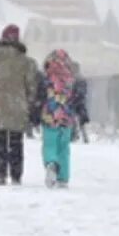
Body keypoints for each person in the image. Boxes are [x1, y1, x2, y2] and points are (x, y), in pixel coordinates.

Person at [0, 24, 34, 186]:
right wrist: (29, 99)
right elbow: (31, 84)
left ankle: (0, 173)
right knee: (16, 141)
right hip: (17, 105)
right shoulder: (25, 61)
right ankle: (16, 174)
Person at [36, 49, 79, 189]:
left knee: (49, 144)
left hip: (50, 115)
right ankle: (63, 177)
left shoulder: (46, 78)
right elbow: (77, 99)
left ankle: (51, 163)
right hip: (66, 117)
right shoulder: (71, 79)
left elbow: (40, 96)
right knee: (64, 147)